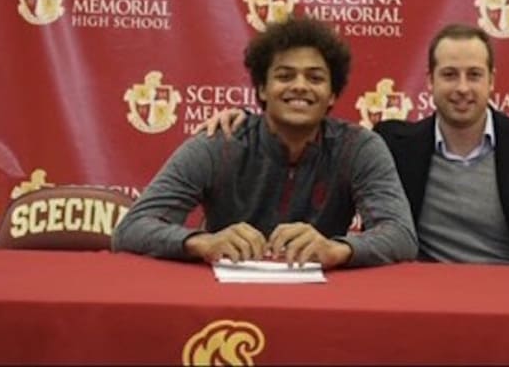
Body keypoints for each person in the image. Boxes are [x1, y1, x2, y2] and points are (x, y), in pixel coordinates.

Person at [203, 23, 509, 266]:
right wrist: (251, 118)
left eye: (474, 75)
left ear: (493, 81)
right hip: (423, 300)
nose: (461, 88)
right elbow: (309, 121)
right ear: (430, 81)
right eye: (449, 74)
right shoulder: (392, 143)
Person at [112, 16, 418, 269]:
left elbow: (401, 236)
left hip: (323, 301)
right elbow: (131, 229)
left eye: (315, 78)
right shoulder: (220, 143)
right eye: (285, 76)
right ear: (261, 89)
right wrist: (203, 242)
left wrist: (338, 249)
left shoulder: (360, 147)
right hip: (225, 301)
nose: (300, 86)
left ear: (332, 95)